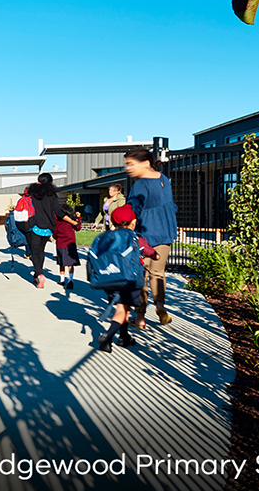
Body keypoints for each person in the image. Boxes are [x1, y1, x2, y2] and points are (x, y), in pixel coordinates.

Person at [124, 147, 179, 328]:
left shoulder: (140, 184)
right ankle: (160, 305)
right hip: (166, 231)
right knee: (158, 273)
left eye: (131, 164)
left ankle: (139, 317)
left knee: (142, 276)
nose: (128, 168)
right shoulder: (164, 179)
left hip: (146, 234)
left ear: (146, 163)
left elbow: (132, 212)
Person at [93, 204, 158, 352]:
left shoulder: (108, 238)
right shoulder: (136, 239)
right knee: (123, 310)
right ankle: (107, 337)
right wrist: (155, 255)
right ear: (133, 223)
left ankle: (124, 337)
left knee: (124, 308)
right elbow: (151, 253)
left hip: (109, 280)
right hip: (129, 280)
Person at [27, 172, 61, 288]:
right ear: (51, 182)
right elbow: (58, 211)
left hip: (34, 225)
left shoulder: (32, 193)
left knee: (34, 251)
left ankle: (40, 274)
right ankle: (37, 275)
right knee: (41, 250)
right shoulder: (53, 196)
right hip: (48, 227)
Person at [53, 202, 81, 289]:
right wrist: (78, 218)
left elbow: (54, 234)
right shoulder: (71, 222)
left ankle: (62, 280)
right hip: (71, 244)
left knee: (61, 262)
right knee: (70, 263)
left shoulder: (58, 222)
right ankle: (71, 279)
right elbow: (78, 227)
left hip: (61, 244)